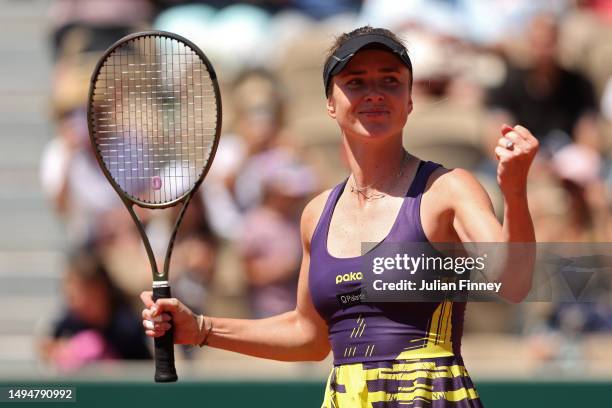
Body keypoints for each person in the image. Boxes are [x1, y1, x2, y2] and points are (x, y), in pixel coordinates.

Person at [141, 26, 538, 407]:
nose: (375, 94)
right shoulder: (316, 215)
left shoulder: (449, 188)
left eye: (390, 80)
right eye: (356, 82)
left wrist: (516, 191)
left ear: (410, 100)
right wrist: (201, 330)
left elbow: (514, 282)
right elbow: (310, 337)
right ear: (330, 103)